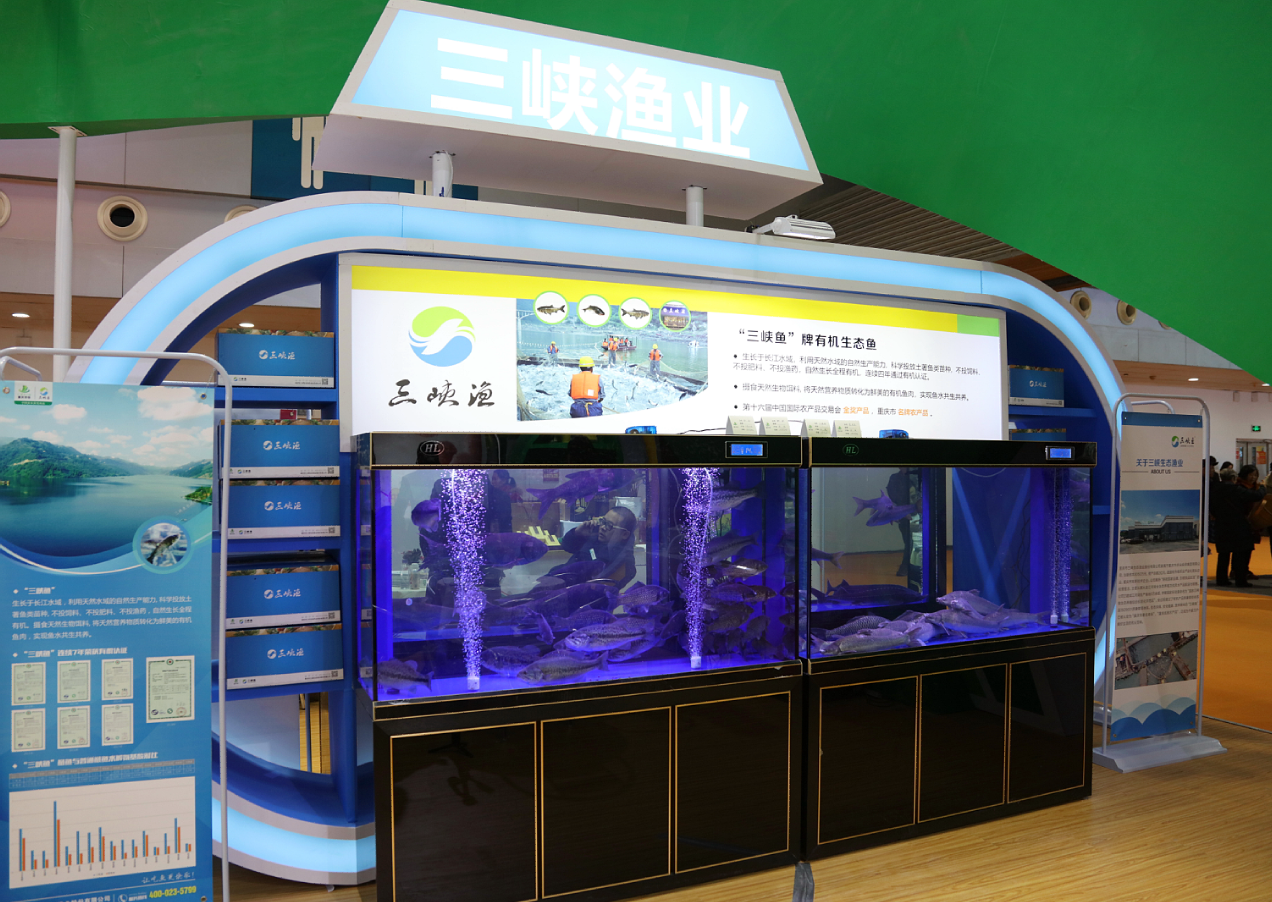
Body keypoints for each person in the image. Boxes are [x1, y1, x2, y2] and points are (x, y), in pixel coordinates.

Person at [1210, 464, 1265, 587]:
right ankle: (1241, 580)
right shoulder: (1236, 489)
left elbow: (1212, 508)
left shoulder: (1215, 490)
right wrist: (1262, 488)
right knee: (1240, 553)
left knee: (1223, 554)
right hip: (1238, 525)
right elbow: (1255, 496)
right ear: (1233, 478)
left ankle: (1221, 580)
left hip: (1221, 525)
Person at [559, 505, 638, 588]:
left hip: (570, 589)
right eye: (603, 522)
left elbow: (597, 589)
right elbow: (567, 546)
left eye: (609, 525)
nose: (603, 527)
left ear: (624, 534)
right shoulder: (596, 536)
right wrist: (577, 534)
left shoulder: (624, 563)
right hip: (562, 578)